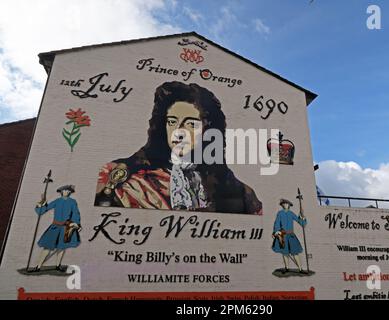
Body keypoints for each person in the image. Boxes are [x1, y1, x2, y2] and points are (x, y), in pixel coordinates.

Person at [94, 81, 262, 215]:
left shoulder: (237, 190)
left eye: (191, 124)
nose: (179, 132)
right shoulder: (126, 176)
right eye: (172, 122)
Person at [29, 185, 81, 272]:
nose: (66, 192)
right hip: (55, 226)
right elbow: (45, 208)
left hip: (65, 228)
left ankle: (58, 266)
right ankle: (38, 266)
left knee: (61, 247)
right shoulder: (57, 201)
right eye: (65, 191)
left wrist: (76, 223)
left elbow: (75, 213)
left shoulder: (72, 202)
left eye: (68, 191)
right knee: (47, 246)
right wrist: (40, 205)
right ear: (61, 192)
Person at [272, 198, 307, 273]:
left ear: (289, 205)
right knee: (285, 253)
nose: (285, 205)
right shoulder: (280, 213)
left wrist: (303, 218)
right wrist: (276, 231)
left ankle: (300, 269)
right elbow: (277, 223)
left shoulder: (291, 213)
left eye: (287, 204)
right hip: (283, 235)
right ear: (282, 205)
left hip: (291, 235)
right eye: (284, 204)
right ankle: (287, 268)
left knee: (295, 252)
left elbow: (300, 222)